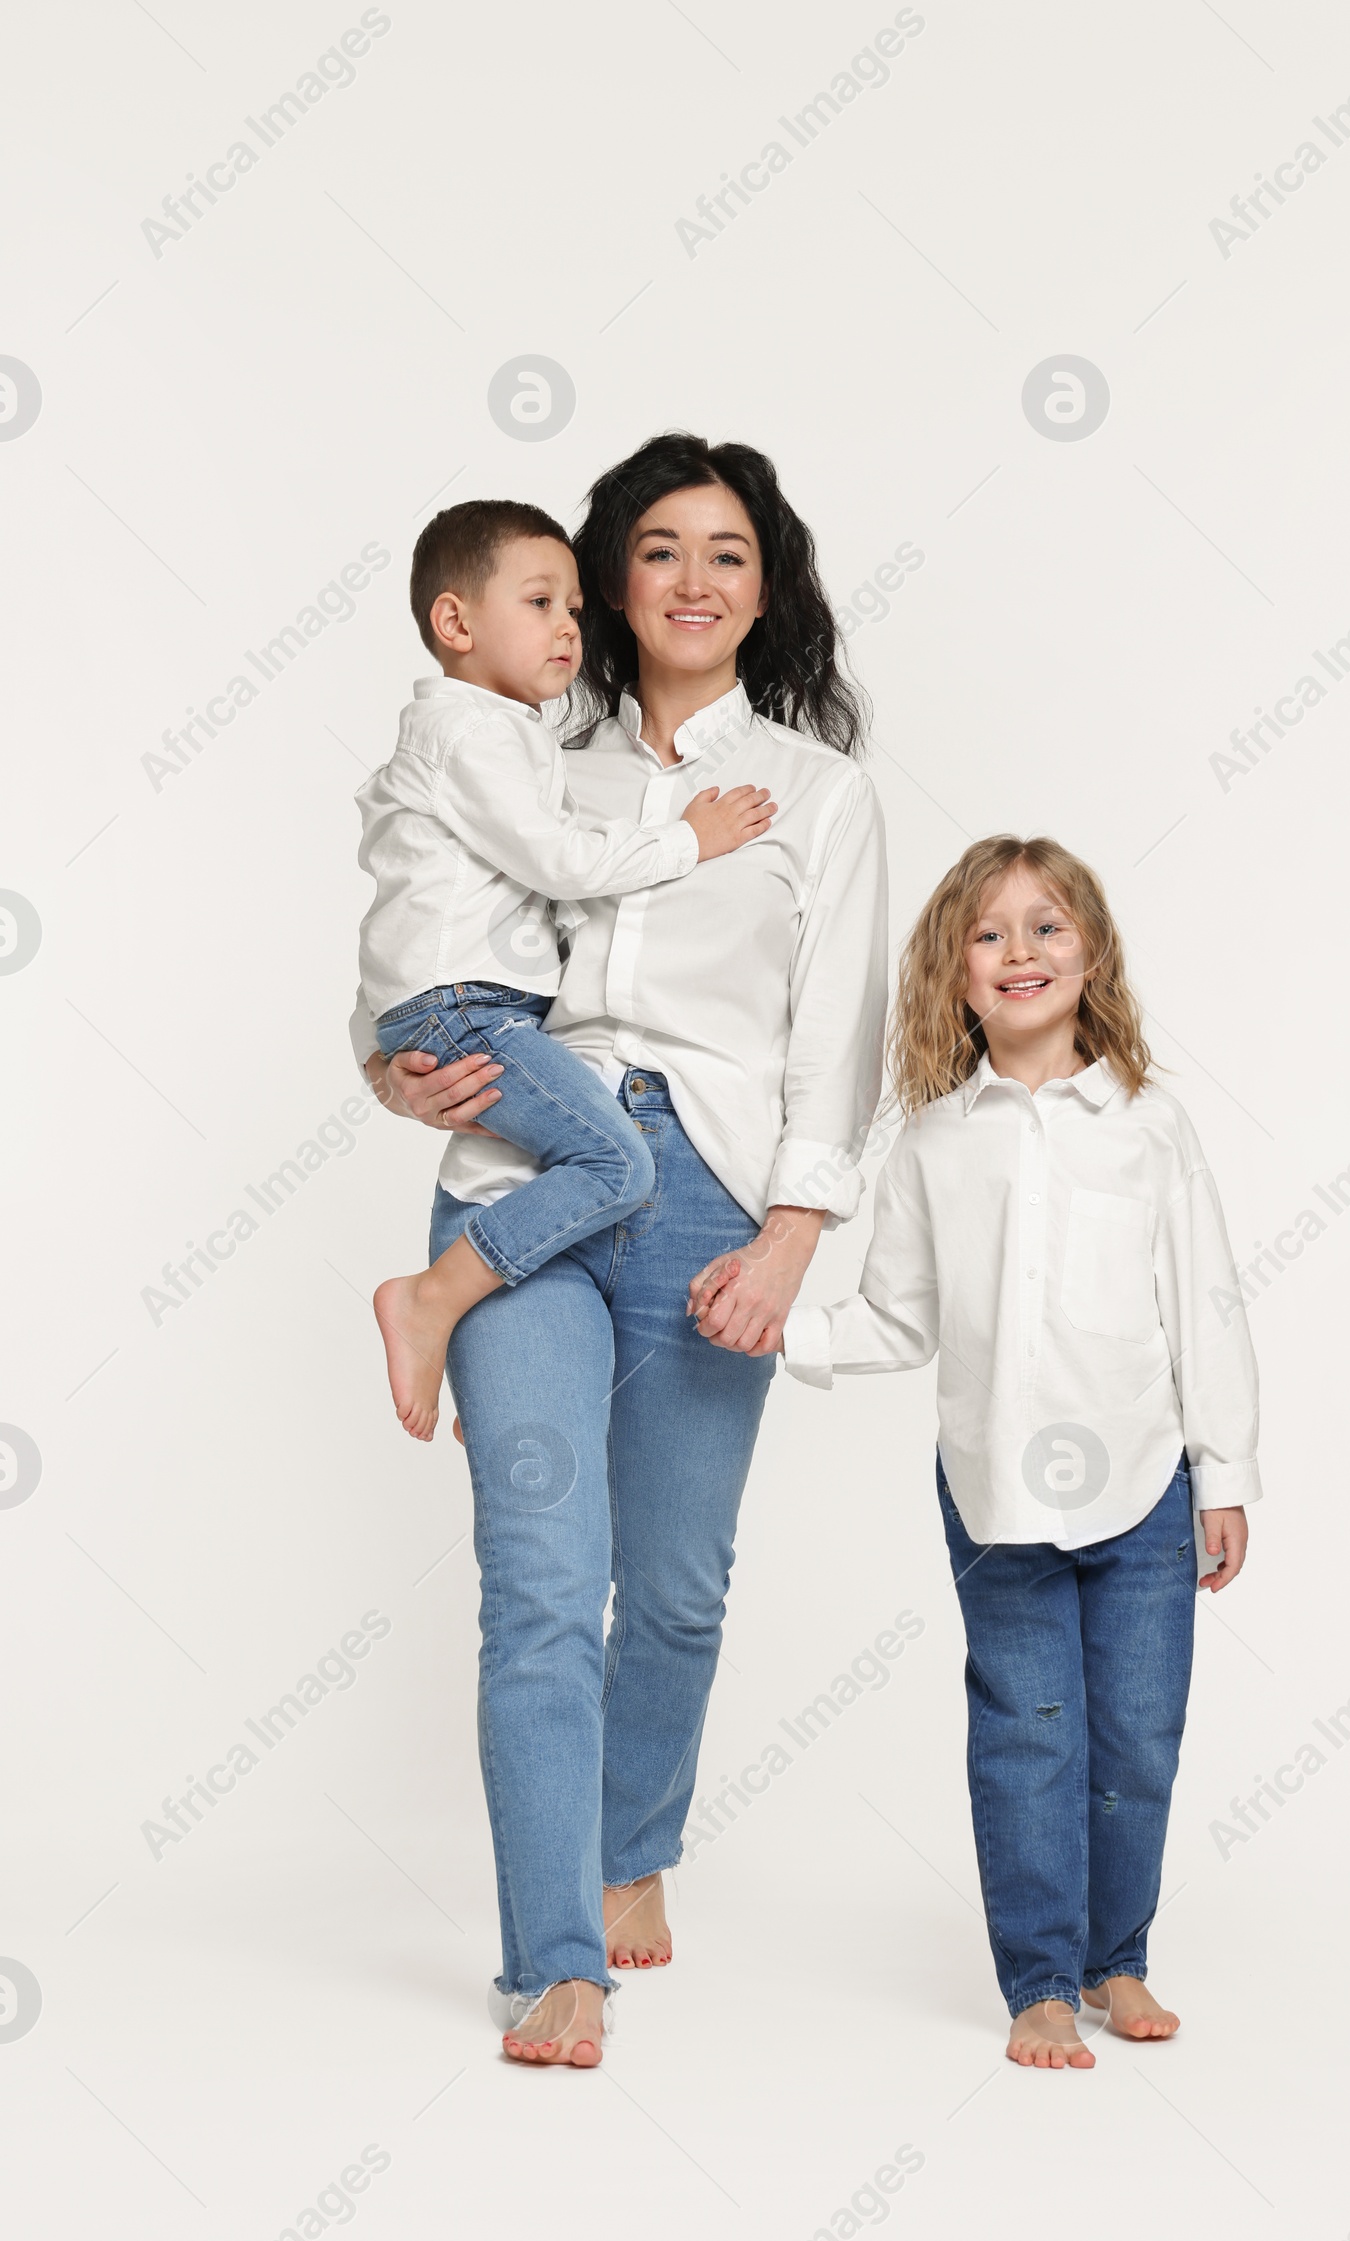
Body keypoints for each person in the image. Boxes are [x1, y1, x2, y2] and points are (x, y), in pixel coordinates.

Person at [354, 435, 887, 2066]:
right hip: (523, 1177)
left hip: (714, 1194)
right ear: (605, 579)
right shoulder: (521, 747)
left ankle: (634, 1843)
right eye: (659, 549)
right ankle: (553, 1960)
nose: (694, 581)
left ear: (766, 586)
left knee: (669, 1589)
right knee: (536, 1586)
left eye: (728, 552)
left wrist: (794, 1239)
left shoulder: (813, 792)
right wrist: (390, 1067)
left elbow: (842, 1034)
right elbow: (424, 935)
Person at [744, 836, 1261, 2071]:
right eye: (989, 935)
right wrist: (781, 1329)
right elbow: (898, 1317)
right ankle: (1038, 1980)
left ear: (1090, 954)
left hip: (1144, 1485)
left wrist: (1224, 1469)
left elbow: (1209, 1303)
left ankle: (1116, 1958)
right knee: (1028, 1729)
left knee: (1136, 1735)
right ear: (955, 975)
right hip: (995, 1487)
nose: (1019, 952)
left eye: (1045, 927)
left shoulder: (1150, 1124)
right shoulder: (933, 1143)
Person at [357, 498, 773, 1439]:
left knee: (601, 1163)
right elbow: (561, 864)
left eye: (575, 610)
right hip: (470, 1013)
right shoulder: (472, 736)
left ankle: (482, 1345)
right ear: (455, 624)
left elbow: (398, 912)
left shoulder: (499, 736)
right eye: (541, 603)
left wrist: (381, 1051)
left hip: (459, 1010)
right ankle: (431, 1302)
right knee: (613, 1161)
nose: (567, 629)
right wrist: (688, 838)